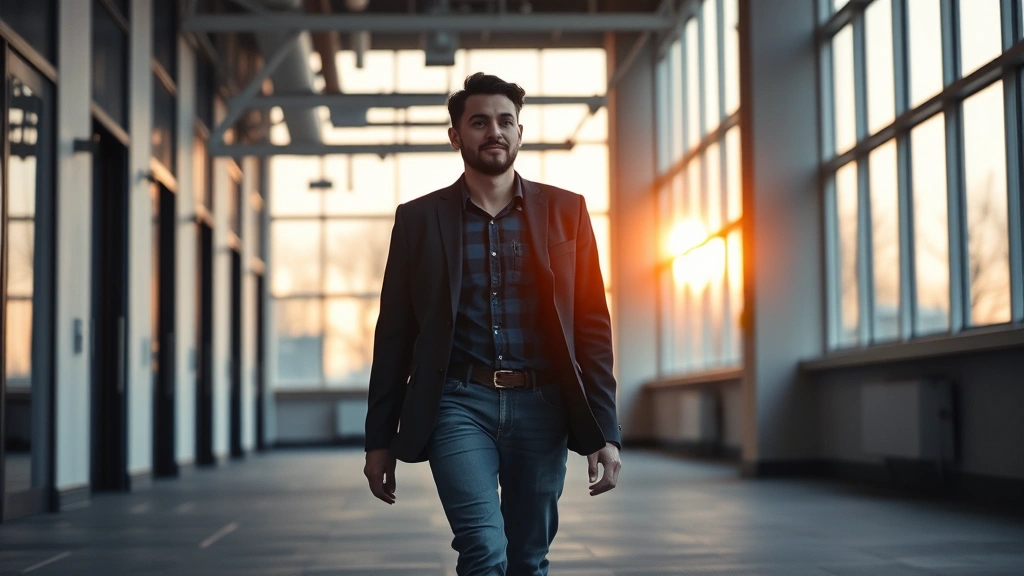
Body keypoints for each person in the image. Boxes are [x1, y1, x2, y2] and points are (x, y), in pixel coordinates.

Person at [363, 72, 622, 576]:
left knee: (528, 558)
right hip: (456, 403)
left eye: (506, 121)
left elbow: (592, 328)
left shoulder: (568, 212)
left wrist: (605, 431)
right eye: (479, 122)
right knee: (483, 549)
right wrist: (379, 440)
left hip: (543, 406)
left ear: (520, 132)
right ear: (456, 135)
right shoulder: (417, 220)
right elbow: (394, 335)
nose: (494, 132)